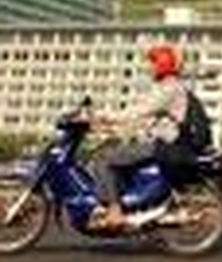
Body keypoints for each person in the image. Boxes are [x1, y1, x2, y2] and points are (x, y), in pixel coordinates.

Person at [88, 44, 208, 231]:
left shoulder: (169, 89)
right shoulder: (169, 88)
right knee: (115, 152)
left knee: (103, 158)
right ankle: (125, 203)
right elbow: (147, 120)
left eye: (153, 63)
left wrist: (106, 116)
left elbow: (139, 111)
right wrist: (110, 128)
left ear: (163, 64)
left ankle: (114, 211)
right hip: (162, 142)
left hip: (165, 145)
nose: (150, 68)